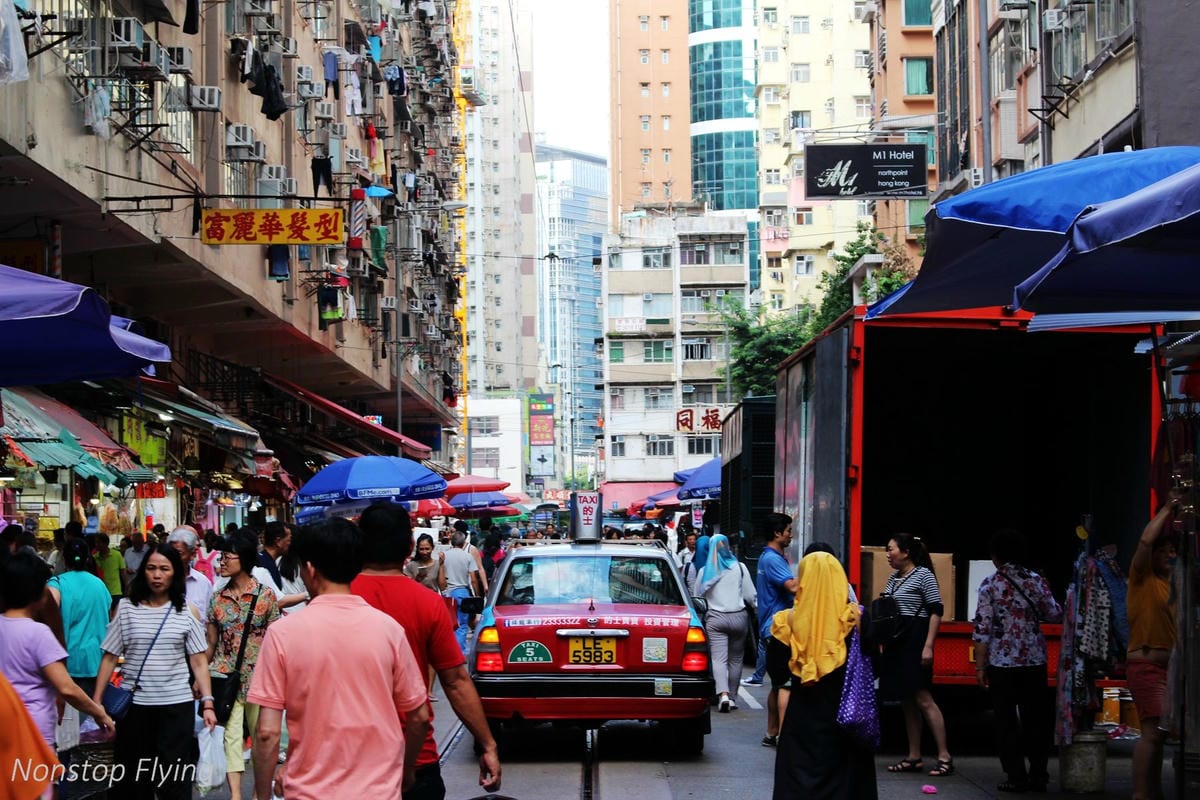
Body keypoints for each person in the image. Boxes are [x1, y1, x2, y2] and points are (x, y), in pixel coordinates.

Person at [248, 518, 430, 800]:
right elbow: (418, 717)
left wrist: (262, 795)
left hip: (309, 790)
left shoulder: (282, 634)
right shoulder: (389, 630)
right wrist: (405, 770)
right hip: (379, 790)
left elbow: (267, 734)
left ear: (309, 569)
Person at [353, 503, 501, 799]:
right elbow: (456, 681)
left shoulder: (336, 598)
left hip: (346, 760)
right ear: (409, 545)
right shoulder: (429, 604)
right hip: (415, 755)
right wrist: (488, 744)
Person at [93, 544, 218, 799]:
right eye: (151, 568)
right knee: (134, 779)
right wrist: (96, 701)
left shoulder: (186, 611)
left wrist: (207, 702)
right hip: (135, 707)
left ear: (175, 573)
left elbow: (198, 661)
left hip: (176, 706)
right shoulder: (127, 608)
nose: (157, 575)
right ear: (143, 572)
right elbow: (109, 657)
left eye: (164, 569)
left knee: (174, 778)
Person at [768, 551, 876, 800]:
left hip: (802, 723)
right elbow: (875, 665)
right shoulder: (856, 618)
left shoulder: (786, 623)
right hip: (845, 720)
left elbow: (777, 673)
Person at [0, 553, 116, 783]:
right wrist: (99, 712)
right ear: (37, 594)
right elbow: (66, 688)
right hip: (33, 730)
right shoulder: (38, 633)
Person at [973, 529, 1063, 792]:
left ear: (996, 557)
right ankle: (1039, 774)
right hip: (1034, 660)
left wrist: (980, 666)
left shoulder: (990, 584)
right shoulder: (1036, 580)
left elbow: (982, 628)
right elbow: (1055, 614)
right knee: (1036, 720)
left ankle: (1015, 776)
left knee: (1006, 721)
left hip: (1001, 663)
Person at [206, 530, 281, 799]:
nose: (221, 562)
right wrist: (201, 679)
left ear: (244, 559)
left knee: (262, 739)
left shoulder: (266, 597)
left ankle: (259, 792)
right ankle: (236, 795)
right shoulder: (216, 599)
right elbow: (211, 645)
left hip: (260, 680)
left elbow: (276, 642)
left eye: (226, 557)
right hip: (226, 678)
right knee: (231, 738)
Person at [879, 533, 953, 777]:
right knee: (907, 701)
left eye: (891, 549)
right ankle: (914, 756)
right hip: (897, 643)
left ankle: (944, 756)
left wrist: (928, 645)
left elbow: (936, 610)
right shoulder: (893, 578)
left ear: (906, 552)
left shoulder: (924, 576)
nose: (888, 554)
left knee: (923, 698)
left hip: (915, 641)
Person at [1127, 494, 1180, 800]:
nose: (1171, 556)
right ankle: (1141, 793)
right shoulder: (1143, 577)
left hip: (1168, 670)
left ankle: (1154, 792)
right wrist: (1168, 508)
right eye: (1167, 551)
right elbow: (1146, 543)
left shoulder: (1174, 587)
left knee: (1159, 735)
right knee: (1152, 733)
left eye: (1174, 552)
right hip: (1145, 666)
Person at [748, 513, 797, 748]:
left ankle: (772, 731)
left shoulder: (767, 558)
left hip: (770, 627)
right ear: (777, 533)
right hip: (778, 629)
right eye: (788, 530)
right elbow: (792, 586)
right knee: (785, 684)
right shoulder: (774, 559)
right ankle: (784, 736)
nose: (791, 534)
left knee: (776, 684)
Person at [47, 538, 113, 706]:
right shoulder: (100, 585)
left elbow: (46, 612)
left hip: (66, 664)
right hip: (98, 663)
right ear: (88, 558)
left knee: (68, 724)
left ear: (63, 558)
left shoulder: (57, 584)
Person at [696, 533, 757, 713]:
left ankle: (722, 694)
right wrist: (757, 610)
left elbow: (698, 596)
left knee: (718, 659)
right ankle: (732, 697)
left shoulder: (704, 571)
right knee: (736, 659)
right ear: (727, 546)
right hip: (739, 617)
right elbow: (750, 595)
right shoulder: (740, 567)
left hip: (716, 618)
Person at [439, 530, 482, 653]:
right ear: (464, 543)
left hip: (448, 594)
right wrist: (477, 595)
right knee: (463, 624)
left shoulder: (444, 555)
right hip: (463, 592)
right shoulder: (468, 556)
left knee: (451, 623)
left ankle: (451, 650)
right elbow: (473, 579)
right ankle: (459, 651)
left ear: (452, 542)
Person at [166, 526, 213, 619]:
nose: (173, 557)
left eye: (179, 553)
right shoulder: (159, 582)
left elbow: (209, 621)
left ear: (193, 553)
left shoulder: (203, 583)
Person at [90, 534, 125, 616]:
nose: (97, 545)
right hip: (101, 592)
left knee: (115, 615)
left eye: (99, 542)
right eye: (96, 542)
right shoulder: (94, 558)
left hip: (115, 592)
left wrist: (126, 587)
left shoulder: (117, 555)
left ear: (106, 543)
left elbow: (123, 572)